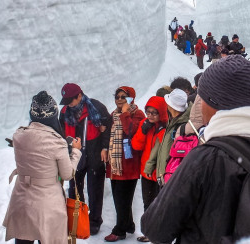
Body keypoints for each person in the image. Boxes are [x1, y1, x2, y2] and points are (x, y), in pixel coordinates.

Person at [141, 55, 250, 243]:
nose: (199, 104)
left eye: (201, 98)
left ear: (213, 102)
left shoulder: (202, 159)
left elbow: (155, 228)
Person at [3, 91, 82, 244]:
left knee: (23, 238)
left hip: (22, 198)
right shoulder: (56, 142)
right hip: (47, 202)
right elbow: (66, 174)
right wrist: (76, 151)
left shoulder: (19, 135)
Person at [58, 83, 112, 235]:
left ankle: (95, 220)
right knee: (74, 187)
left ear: (79, 96)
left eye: (70, 100)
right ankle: (77, 217)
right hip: (74, 153)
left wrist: (104, 147)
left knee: (95, 189)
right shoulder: (64, 112)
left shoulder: (96, 108)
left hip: (95, 152)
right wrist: (70, 145)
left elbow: (108, 127)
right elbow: (61, 134)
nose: (68, 104)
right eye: (66, 101)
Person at [100, 86, 145, 242]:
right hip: (115, 164)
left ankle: (119, 230)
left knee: (122, 198)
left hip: (128, 165)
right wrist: (105, 147)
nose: (119, 99)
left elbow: (131, 131)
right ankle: (129, 225)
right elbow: (108, 134)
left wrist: (126, 113)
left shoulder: (137, 114)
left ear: (131, 98)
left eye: (123, 96)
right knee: (120, 198)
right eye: (117, 96)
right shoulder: (114, 114)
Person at [131, 96, 168, 243]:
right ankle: (148, 232)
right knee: (148, 203)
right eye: (148, 112)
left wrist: (160, 130)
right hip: (146, 172)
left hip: (160, 173)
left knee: (160, 204)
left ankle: (160, 233)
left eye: (154, 112)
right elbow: (136, 146)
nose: (151, 115)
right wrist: (143, 131)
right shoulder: (144, 124)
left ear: (162, 113)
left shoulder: (166, 126)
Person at [155, 85, 190, 186]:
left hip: (172, 178)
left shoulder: (183, 125)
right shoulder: (173, 121)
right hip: (167, 175)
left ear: (170, 106)